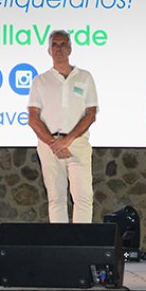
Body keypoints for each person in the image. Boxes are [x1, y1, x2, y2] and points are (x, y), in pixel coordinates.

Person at [27, 30, 99, 224]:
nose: (59, 49)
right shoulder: (40, 81)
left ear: (70, 48)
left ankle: (81, 247)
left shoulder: (84, 77)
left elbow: (91, 114)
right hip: (48, 145)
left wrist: (68, 140)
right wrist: (54, 143)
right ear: (49, 50)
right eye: (55, 45)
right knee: (56, 198)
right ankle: (60, 246)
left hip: (78, 143)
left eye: (63, 44)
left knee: (83, 197)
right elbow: (33, 118)